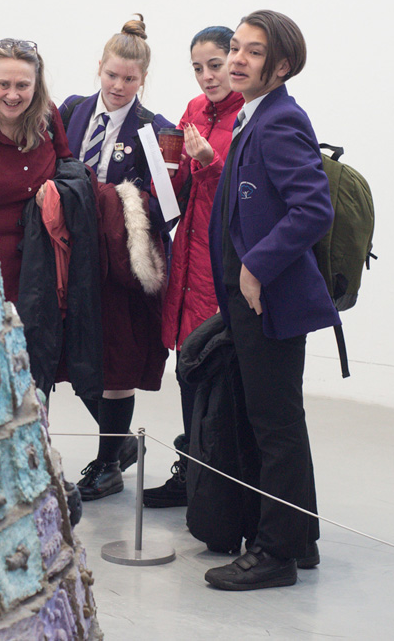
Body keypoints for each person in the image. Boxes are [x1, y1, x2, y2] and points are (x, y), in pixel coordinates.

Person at [203, 10, 339, 591]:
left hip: (268, 299)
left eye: (252, 52)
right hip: (252, 297)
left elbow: (314, 208)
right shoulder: (255, 116)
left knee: (273, 424)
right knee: (280, 418)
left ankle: (276, 553)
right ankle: (298, 537)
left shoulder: (279, 120)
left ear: (281, 66)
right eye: (235, 47)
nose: (236, 59)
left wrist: (256, 266)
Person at [58, 15, 172, 501]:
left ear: (143, 79)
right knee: (71, 351)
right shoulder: (71, 111)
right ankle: (120, 444)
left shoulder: (155, 129)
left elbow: (165, 205)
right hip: (70, 253)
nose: (119, 85)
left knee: (117, 359)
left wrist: (108, 197)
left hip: (120, 262)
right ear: (98, 69)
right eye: (112, 75)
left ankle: (108, 463)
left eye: (130, 78)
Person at [142, 26, 245, 508]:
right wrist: (167, 171)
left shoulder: (249, 116)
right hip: (189, 255)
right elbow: (182, 185)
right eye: (198, 68)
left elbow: (247, 195)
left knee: (217, 370)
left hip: (223, 258)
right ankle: (192, 472)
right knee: (188, 365)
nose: (207, 76)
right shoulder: (195, 111)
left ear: (237, 61)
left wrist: (209, 162)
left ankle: (219, 480)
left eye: (215, 65)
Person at [0, 38, 72, 305]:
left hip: (42, 270)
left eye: (22, 85)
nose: (12, 95)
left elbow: (67, 165)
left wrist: (58, 194)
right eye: (3, 84)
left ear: (36, 85)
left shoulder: (47, 118)